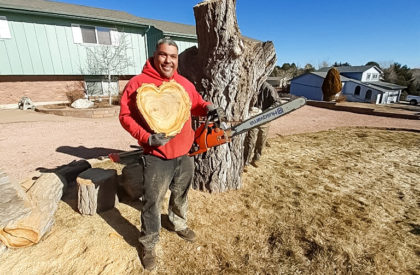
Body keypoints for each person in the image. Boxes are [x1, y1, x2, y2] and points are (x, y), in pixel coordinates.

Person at [119, 37, 223, 270]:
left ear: (177, 59)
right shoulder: (137, 83)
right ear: (155, 55)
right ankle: (148, 243)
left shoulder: (184, 83)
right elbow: (125, 117)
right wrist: (146, 138)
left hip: (184, 153)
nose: (168, 60)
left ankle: (178, 222)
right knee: (153, 202)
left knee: (181, 193)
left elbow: (195, 104)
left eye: (173, 56)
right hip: (156, 156)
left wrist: (208, 106)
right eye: (163, 55)